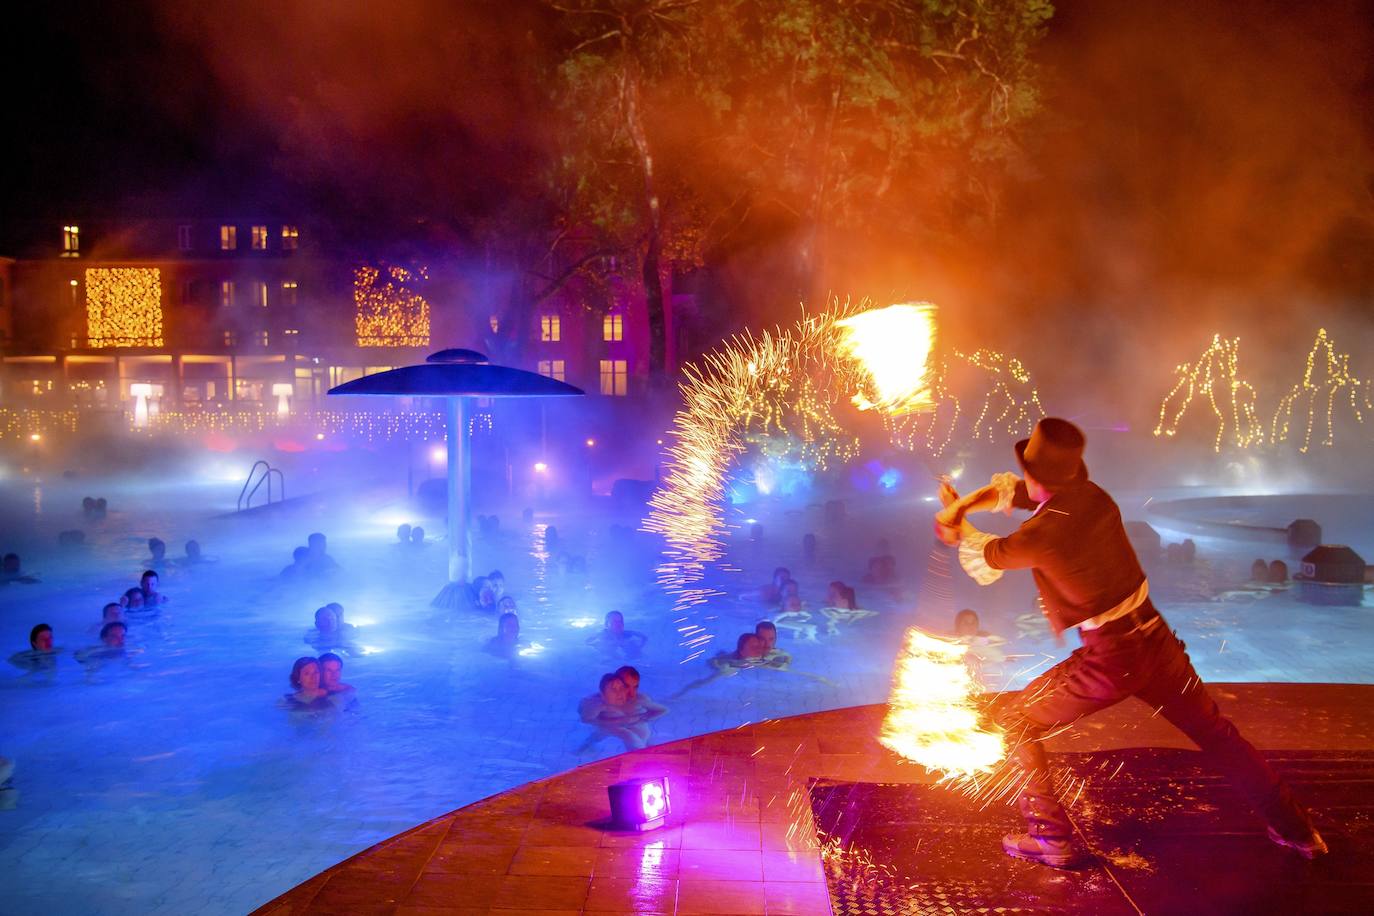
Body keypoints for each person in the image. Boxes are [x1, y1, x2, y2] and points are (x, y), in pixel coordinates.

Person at [934, 417, 1326, 867]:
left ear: (1035, 477)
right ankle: (1299, 830)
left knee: (1012, 723)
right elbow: (1019, 494)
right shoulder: (1093, 498)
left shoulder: (1043, 535)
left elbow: (984, 557)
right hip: (1156, 640)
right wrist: (961, 506)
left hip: (1112, 657)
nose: (1020, 482)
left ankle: (1050, 839)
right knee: (1217, 735)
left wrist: (954, 524)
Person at [577, 673, 645, 752]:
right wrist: (611, 723)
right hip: (606, 724)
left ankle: (583, 747)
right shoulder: (597, 705)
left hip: (615, 722)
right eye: (613, 689)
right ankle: (581, 749)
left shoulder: (628, 698)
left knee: (599, 735)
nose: (619, 692)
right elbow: (585, 720)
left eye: (622, 688)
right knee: (630, 737)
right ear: (603, 694)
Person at [614, 665, 668, 743]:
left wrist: (645, 717)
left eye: (635, 687)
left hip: (639, 732)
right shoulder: (612, 699)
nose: (632, 693)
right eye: (626, 686)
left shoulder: (639, 699)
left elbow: (663, 710)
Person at [952, 608, 1007, 673]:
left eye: (973, 623)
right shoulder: (950, 642)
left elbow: (999, 657)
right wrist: (967, 656)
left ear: (977, 625)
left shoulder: (981, 640)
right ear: (958, 626)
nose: (971, 626)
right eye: (966, 623)